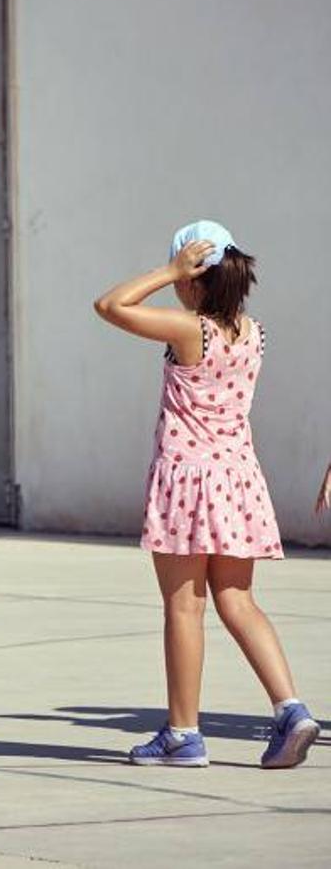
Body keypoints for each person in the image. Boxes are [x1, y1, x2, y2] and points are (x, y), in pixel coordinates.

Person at [94, 220, 320, 769]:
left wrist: (165, 271)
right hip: (239, 479)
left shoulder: (189, 329)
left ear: (192, 277)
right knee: (238, 600)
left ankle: (183, 734)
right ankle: (290, 709)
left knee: (183, 605)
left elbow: (110, 305)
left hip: (187, 480)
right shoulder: (253, 332)